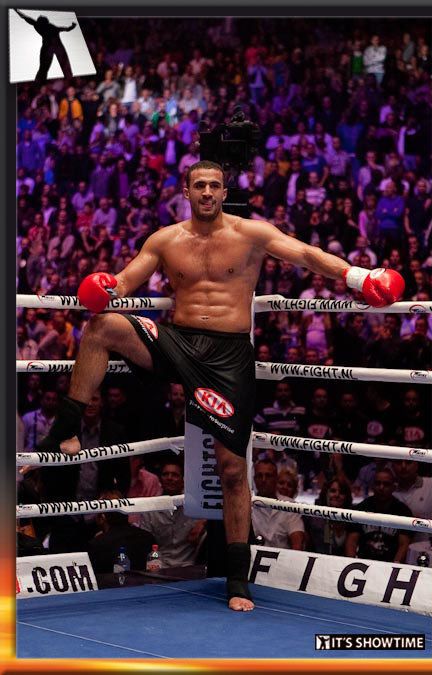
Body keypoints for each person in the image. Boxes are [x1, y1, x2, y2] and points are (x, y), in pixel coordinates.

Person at [35, 160, 404, 611]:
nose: (207, 192)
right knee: (102, 326)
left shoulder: (252, 233)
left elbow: (306, 254)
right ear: (186, 191)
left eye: (214, 185)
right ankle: (68, 426)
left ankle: (236, 577)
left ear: (224, 191)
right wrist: (107, 287)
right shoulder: (165, 239)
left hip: (229, 357)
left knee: (232, 471)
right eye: (199, 185)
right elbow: (128, 281)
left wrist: (358, 277)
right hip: (179, 342)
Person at [140, 461, 206, 568]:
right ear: (160, 479)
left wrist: (204, 522)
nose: (169, 478)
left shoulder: (196, 504)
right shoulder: (150, 508)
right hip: (160, 566)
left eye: (175, 475)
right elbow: (144, 541)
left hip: (190, 565)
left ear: (183, 480)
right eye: (165, 474)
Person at [345, 468, 412, 563]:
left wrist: (394, 567)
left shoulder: (403, 511)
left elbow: (404, 545)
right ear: (372, 486)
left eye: (386, 484)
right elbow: (352, 541)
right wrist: (351, 564)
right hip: (363, 564)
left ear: (393, 487)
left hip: (390, 565)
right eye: (378, 483)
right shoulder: (361, 508)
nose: (381, 487)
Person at [252, 460, 305, 550]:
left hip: (283, 560)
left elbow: (297, 542)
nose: (263, 480)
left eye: (268, 476)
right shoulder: (247, 505)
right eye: (259, 476)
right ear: (254, 479)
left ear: (276, 479)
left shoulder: (289, 505)